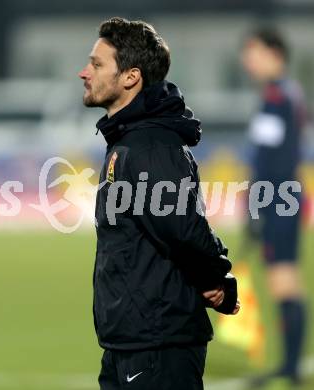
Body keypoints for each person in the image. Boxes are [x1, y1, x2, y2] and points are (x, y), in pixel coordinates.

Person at [79, 17, 240, 390]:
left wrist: (217, 278)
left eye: (97, 64)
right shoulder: (128, 140)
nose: (84, 72)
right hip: (130, 342)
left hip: (157, 344)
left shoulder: (149, 146)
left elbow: (182, 228)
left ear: (130, 77)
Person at [241, 28, 307, 387]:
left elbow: (272, 164)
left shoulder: (277, 97)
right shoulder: (284, 94)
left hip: (278, 198)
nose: (247, 60)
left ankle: (291, 366)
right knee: (284, 280)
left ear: (275, 55)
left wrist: (258, 204)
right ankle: (290, 363)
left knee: (284, 281)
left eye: (253, 52)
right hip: (284, 197)